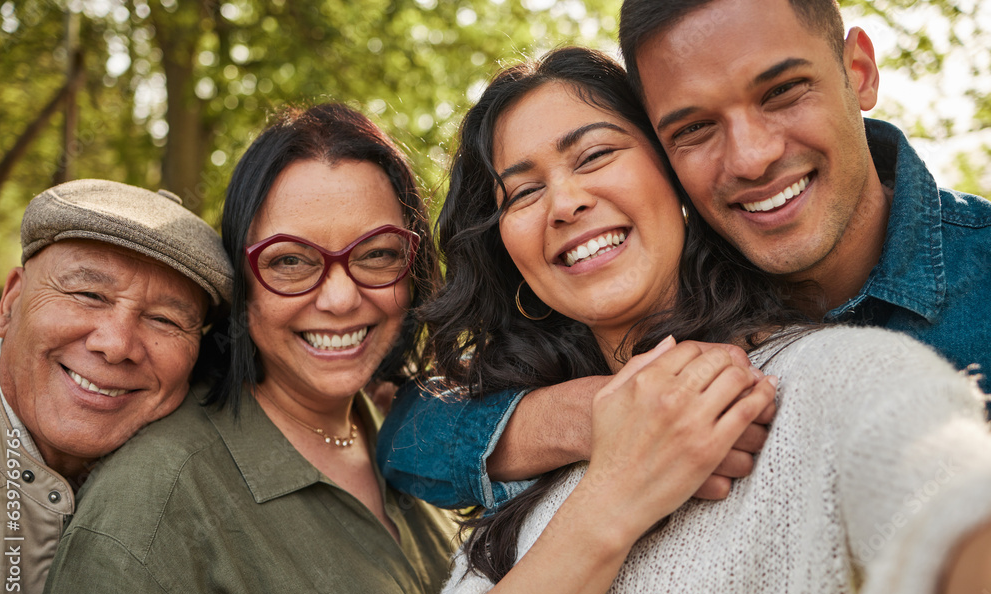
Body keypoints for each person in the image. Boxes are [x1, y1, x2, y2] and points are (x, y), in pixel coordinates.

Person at [397, 48, 991, 594]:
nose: (565, 202)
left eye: (596, 155)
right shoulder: (523, 487)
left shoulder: (847, 378)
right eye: (522, 193)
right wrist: (617, 483)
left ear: (677, 176)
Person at [376, 0, 991, 512]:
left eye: (782, 92)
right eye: (694, 128)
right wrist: (597, 416)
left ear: (859, 71)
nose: (750, 158)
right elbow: (412, 435)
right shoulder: (686, 291)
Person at [31, 104, 461, 594]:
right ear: (242, 284)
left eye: (377, 254)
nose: (339, 298)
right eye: (289, 261)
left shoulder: (413, 439)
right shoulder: (156, 503)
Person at [0, 179, 231, 594]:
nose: (116, 344)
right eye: (87, 294)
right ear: (10, 304)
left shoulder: (193, 471)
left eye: (165, 320)